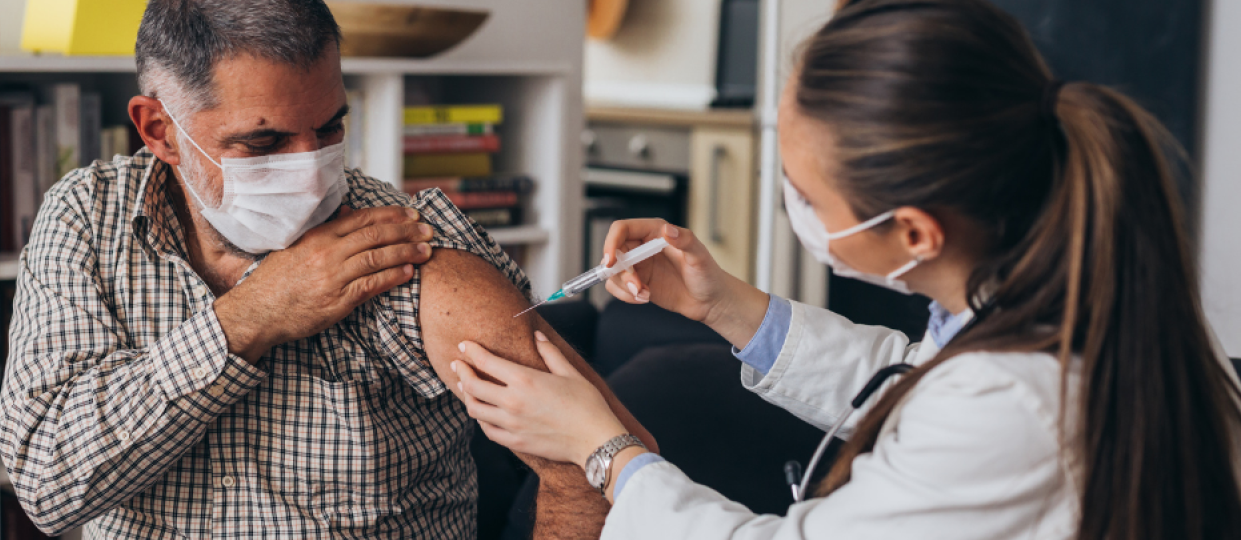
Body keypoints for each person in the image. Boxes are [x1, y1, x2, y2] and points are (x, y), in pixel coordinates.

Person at [449, 0, 1241, 538]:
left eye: (803, 192)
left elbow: (949, 403)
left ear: (913, 232)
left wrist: (604, 449)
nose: (791, 204)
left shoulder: (1012, 400)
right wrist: (728, 305)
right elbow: (910, 378)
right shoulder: (1037, 293)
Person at [0, 0, 654, 537]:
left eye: (331, 128)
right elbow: (49, 487)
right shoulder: (86, 217)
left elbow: (603, 462)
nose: (311, 177)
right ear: (160, 129)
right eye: (265, 143)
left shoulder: (403, 251)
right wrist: (249, 319)